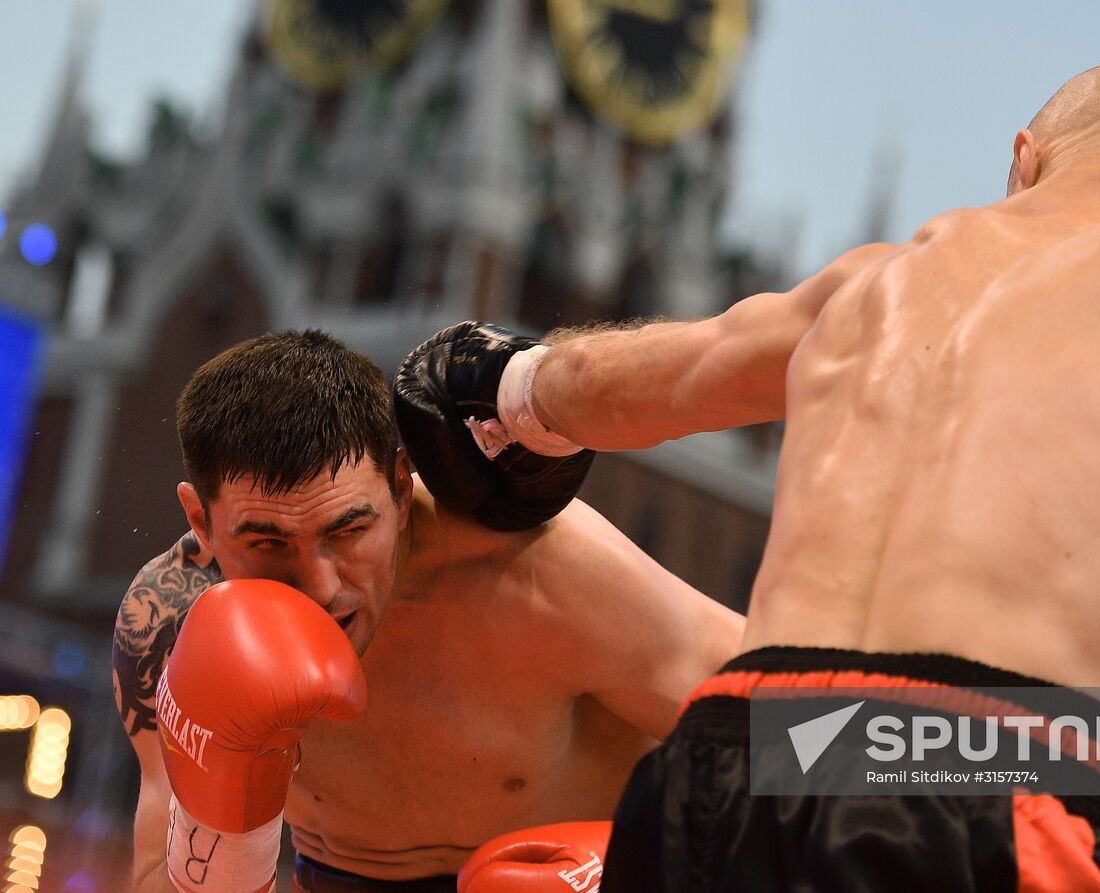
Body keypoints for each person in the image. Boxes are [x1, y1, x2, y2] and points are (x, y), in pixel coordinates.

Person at [456, 63, 1100, 891]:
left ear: (1025, 158)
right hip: (990, 771)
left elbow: (616, 383)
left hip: (733, 760)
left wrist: (501, 382)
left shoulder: (878, 279)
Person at [112, 329, 743, 891]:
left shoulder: (545, 580)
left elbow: (834, 740)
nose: (322, 586)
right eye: (268, 543)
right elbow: (155, 876)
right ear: (201, 518)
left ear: (400, 485)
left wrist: (654, 867)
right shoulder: (167, 618)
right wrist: (221, 862)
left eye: (348, 530)